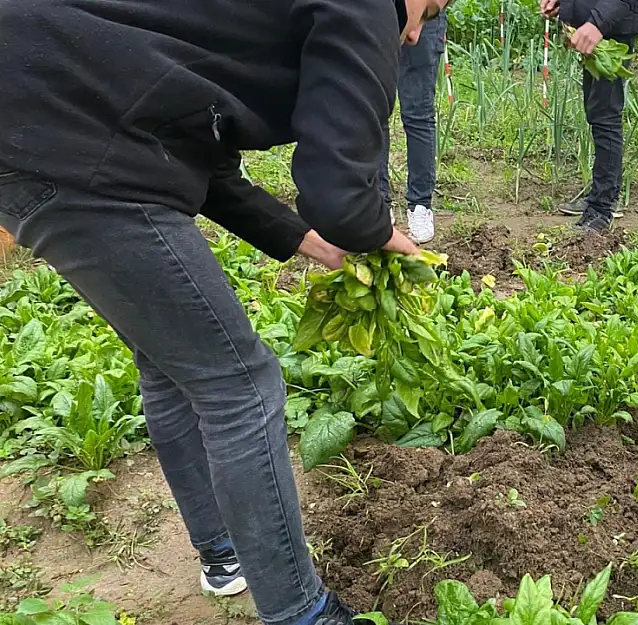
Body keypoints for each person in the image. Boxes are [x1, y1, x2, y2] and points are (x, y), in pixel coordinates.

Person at [0, 0, 449, 623]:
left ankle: (224, 552)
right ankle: (301, 612)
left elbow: (193, 153)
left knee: (171, 364)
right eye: (432, 6)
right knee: (239, 382)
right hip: (77, 145)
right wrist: (371, 230)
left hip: (44, 122)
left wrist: (314, 246)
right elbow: (340, 195)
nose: (417, 27)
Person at [539, 0, 638, 233]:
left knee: (605, 117)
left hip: (612, 27)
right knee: (597, 112)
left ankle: (602, 208)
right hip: (602, 24)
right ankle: (599, 195)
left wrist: (597, 23)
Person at [380, 11, 448, 245]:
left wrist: (419, 16)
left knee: (418, 115)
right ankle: (378, 204)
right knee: (375, 113)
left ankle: (420, 206)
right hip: (377, 12)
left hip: (425, 17)